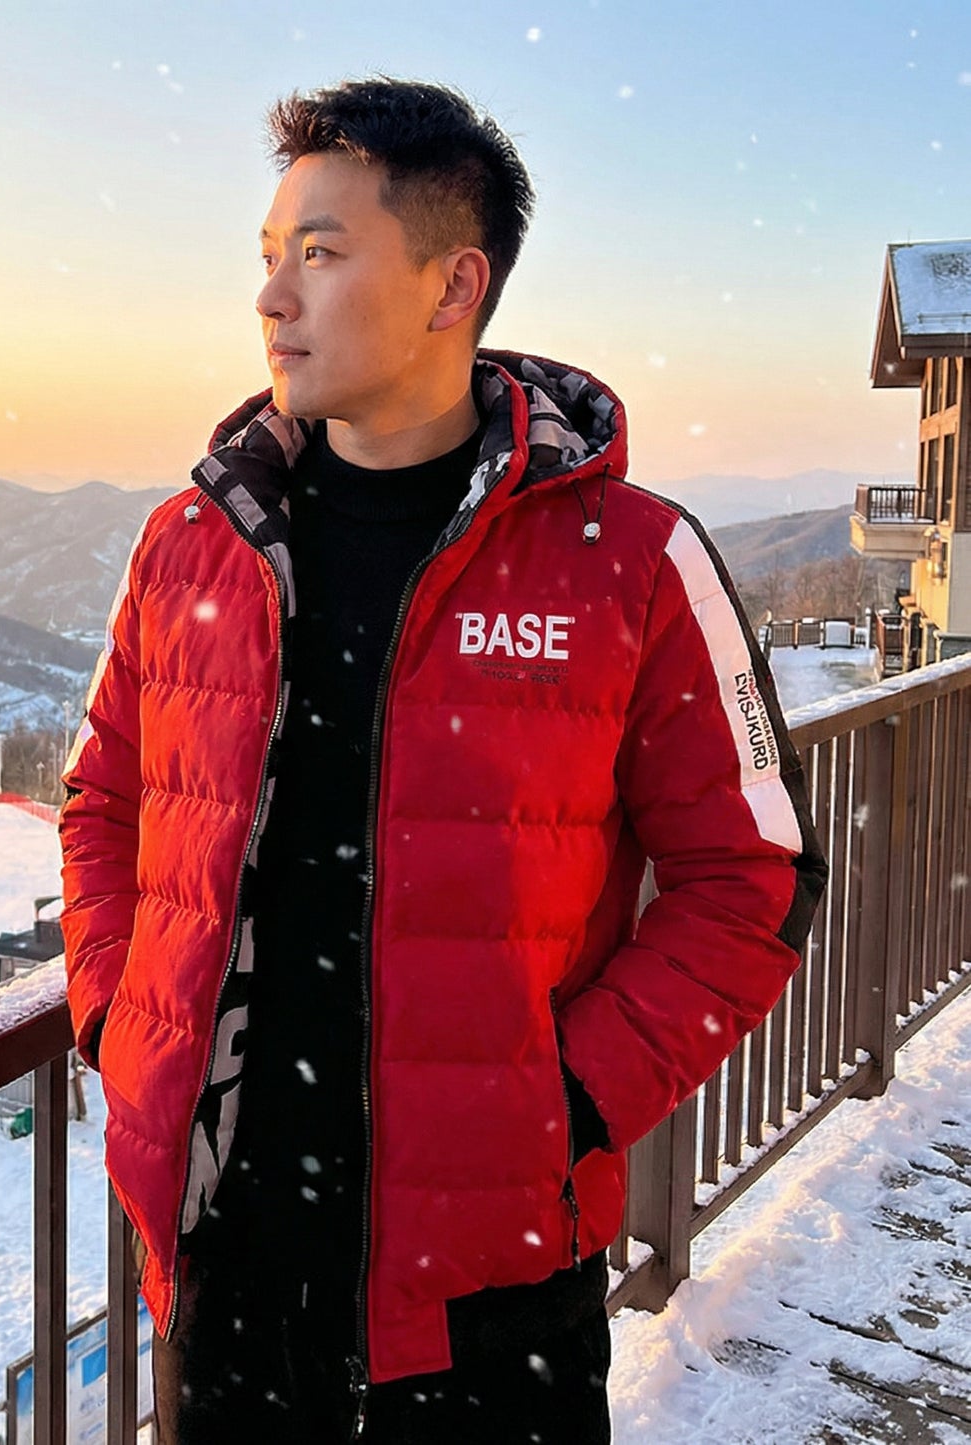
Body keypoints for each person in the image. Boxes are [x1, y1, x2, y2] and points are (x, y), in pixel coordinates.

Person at [59, 78, 826, 1444]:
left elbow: (753, 881)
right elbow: (104, 798)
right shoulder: (196, 542)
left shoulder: (631, 563)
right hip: (222, 1260)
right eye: (267, 257)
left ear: (450, 284)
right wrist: (114, 1022)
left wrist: (563, 1098)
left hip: (492, 1295)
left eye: (322, 251)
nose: (271, 300)